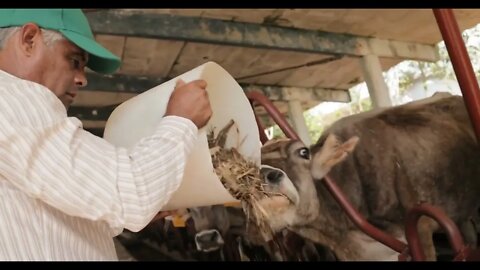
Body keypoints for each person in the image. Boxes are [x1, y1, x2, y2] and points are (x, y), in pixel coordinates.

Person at [0, 9, 212, 260]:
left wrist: (116, 220)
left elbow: (42, 217)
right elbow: (131, 193)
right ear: (29, 39)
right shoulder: (11, 98)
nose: (82, 79)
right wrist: (181, 120)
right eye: (75, 61)